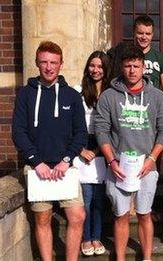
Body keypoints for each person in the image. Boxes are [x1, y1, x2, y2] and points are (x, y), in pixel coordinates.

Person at [94, 46, 163, 261]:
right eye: (127, 66)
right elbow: (101, 130)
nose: (131, 70)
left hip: (147, 166)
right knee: (120, 216)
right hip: (118, 166)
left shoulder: (156, 96)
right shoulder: (109, 96)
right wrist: (111, 161)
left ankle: (146, 257)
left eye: (136, 66)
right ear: (121, 67)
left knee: (144, 214)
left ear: (143, 67)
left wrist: (152, 158)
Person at [12, 41, 88, 261]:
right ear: (37, 63)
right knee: (43, 219)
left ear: (61, 64)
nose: (48, 67)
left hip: (66, 168)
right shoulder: (26, 94)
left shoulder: (72, 96)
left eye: (53, 62)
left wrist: (66, 160)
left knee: (77, 216)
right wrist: (37, 162)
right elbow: (18, 132)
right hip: (38, 169)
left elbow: (81, 133)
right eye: (44, 62)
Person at [72, 51, 110, 256]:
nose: (95, 70)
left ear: (105, 69)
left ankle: (97, 236)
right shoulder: (77, 92)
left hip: (103, 146)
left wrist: (97, 150)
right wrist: (81, 149)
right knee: (85, 199)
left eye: (100, 66)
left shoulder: (110, 92)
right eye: (92, 66)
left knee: (98, 199)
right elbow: (68, 125)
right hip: (82, 145)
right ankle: (85, 238)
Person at [108, 15, 163, 100]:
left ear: (152, 35)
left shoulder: (161, 58)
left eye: (148, 34)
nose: (144, 37)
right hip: (126, 102)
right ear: (134, 32)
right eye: (140, 33)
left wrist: (160, 109)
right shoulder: (123, 54)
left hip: (151, 104)